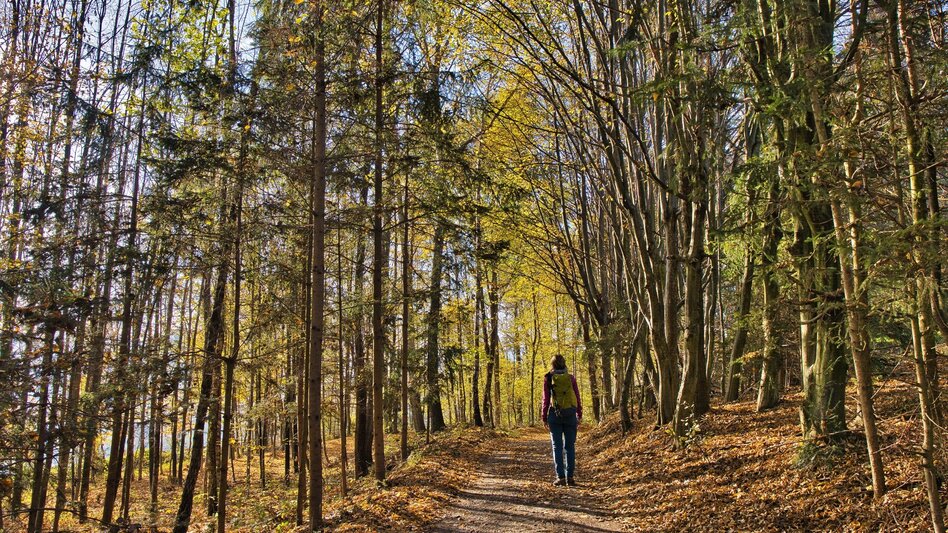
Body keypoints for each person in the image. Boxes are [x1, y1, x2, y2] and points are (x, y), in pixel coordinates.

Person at [541, 354, 582, 486]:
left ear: (552, 365)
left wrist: (544, 417)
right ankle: (570, 477)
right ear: (564, 364)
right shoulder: (571, 378)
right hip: (570, 414)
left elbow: (545, 400)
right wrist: (579, 413)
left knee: (557, 447)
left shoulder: (548, 378)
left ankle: (560, 477)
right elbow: (577, 396)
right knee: (570, 447)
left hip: (555, 415)